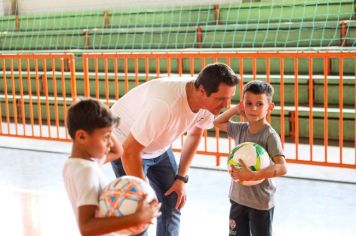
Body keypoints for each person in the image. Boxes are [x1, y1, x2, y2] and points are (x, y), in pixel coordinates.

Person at [110, 63, 240, 236]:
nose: (226, 104)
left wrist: (181, 178)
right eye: (221, 99)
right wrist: (144, 195)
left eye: (229, 98)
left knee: (173, 200)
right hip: (124, 143)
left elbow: (195, 134)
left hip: (157, 145)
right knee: (138, 214)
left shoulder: (208, 104)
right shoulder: (164, 105)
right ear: (202, 90)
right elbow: (130, 151)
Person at [62, 97, 161, 236]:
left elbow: (118, 151)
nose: (110, 143)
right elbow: (86, 228)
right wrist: (137, 218)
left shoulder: (77, 163)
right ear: (82, 137)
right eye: (106, 137)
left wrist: (106, 121)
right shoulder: (87, 171)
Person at [214, 80, 287, 236]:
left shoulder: (270, 136)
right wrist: (236, 109)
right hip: (238, 198)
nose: (253, 109)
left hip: (260, 203)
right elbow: (217, 122)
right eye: (248, 103)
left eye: (260, 104)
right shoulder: (240, 129)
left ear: (270, 107)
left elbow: (282, 167)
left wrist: (253, 175)